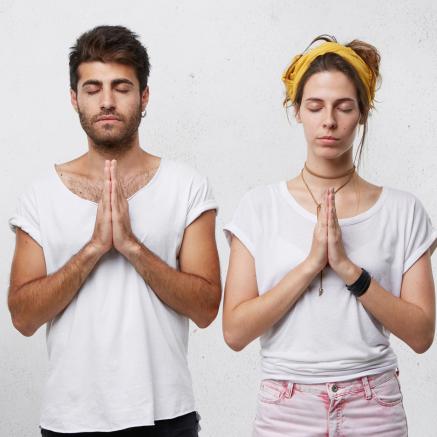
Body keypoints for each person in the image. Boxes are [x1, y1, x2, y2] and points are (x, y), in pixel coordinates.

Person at [8, 25, 221, 436]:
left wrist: (132, 247)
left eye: (121, 87)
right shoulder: (40, 195)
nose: (106, 101)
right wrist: (92, 249)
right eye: (93, 88)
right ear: (75, 98)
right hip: (70, 420)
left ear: (144, 97)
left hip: (166, 416)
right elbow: (23, 317)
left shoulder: (187, 186)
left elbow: (206, 308)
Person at [223, 35, 436, 436]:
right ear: (297, 111)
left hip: (374, 403)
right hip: (286, 407)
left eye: (344, 107)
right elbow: (234, 331)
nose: (329, 121)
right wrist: (310, 266)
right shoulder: (259, 206)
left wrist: (347, 269)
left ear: (363, 114)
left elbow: (422, 333)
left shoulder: (403, 210)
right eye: (315, 106)